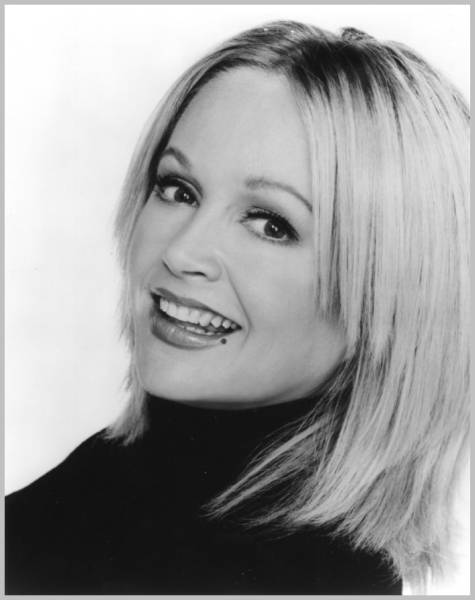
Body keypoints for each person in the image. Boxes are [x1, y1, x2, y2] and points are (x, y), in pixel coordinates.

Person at [5, 20, 469, 595]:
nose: (182, 252)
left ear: (390, 296)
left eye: (271, 224)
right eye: (178, 190)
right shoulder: (105, 483)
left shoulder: (308, 579)